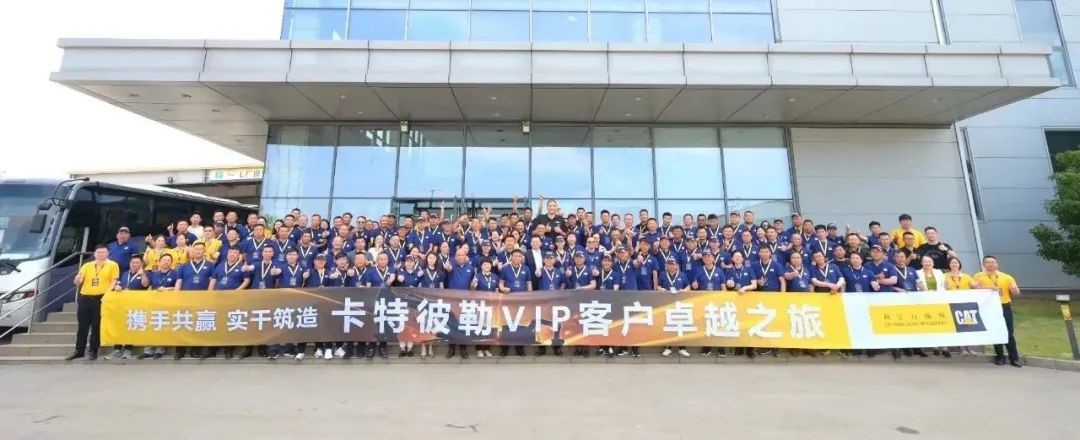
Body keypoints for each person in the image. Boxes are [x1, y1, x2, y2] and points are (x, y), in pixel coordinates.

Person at [66, 245, 121, 361]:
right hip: (85, 298)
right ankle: (79, 350)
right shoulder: (87, 265)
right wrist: (77, 280)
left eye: (103, 252)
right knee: (82, 326)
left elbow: (113, 281)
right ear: (94, 254)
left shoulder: (112, 265)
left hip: (100, 298)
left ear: (107, 253)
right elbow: (79, 279)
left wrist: (107, 295)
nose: (101, 254)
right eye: (98, 252)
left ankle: (93, 350)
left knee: (96, 326)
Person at [972, 256, 1022, 367]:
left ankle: (1014, 358)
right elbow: (973, 290)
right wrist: (987, 287)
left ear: (997, 264)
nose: (990, 264)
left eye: (993, 262)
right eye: (987, 262)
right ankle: (1000, 356)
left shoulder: (1006, 277)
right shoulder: (978, 277)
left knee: (1009, 332)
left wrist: (1015, 290)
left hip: (1004, 306)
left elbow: (1016, 292)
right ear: (983, 264)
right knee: (995, 331)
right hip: (989, 307)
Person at [174, 242, 213, 360]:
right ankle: (179, 350)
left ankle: (195, 350)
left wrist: (209, 296)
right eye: (196, 249)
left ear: (204, 251)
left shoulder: (210, 265)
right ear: (192, 251)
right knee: (183, 324)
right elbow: (179, 282)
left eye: (201, 249)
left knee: (198, 324)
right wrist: (175, 296)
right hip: (185, 299)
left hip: (202, 299)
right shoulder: (184, 266)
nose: (198, 251)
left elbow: (212, 281)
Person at [106, 255, 148, 360]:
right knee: (119, 327)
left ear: (141, 264)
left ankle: (127, 350)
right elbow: (118, 284)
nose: (135, 264)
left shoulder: (145, 274)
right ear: (130, 264)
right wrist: (117, 286)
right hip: (122, 304)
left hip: (135, 304)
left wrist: (143, 275)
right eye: (133, 263)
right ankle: (116, 349)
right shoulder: (125, 274)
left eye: (137, 263)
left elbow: (145, 284)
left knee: (130, 327)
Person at [692, 251, 726, 357]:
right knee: (705, 324)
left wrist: (724, 299)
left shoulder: (719, 271)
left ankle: (721, 349)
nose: (707, 258)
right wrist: (694, 285)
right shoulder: (698, 270)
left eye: (709, 256)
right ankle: (706, 348)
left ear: (713, 258)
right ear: (702, 259)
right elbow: (694, 285)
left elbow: (723, 286)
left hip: (716, 301)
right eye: (705, 257)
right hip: (704, 301)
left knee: (718, 324)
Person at [499, 250, 531, 357]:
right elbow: (501, 284)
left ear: (522, 258)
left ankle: (520, 348)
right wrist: (503, 289)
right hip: (508, 300)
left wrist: (530, 296)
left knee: (521, 324)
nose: (517, 258)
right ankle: (504, 348)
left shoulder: (526, 269)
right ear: (511, 257)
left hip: (522, 301)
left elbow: (529, 284)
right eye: (515, 256)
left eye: (519, 256)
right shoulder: (505, 268)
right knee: (506, 324)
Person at [943, 256, 978, 355]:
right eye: (952, 263)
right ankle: (961, 348)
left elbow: (975, 286)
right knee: (957, 326)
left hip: (965, 305)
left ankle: (969, 348)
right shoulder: (944, 276)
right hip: (951, 304)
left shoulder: (966, 276)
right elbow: (942, 289)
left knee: (967, 326)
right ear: (949, 265)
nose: (954, 265)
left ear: (959, 264)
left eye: (956, 263)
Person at [657, 258, 691, 357]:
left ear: (676, 265)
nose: (671, 266)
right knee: (669, 325)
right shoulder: (663, 274)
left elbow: (688, 287)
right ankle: (668, 347)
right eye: (669, 264)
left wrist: (683, 291)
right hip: (667, 303)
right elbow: (658, 286)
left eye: (673, 264)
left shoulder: (682, 275)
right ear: (666, 266)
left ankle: (682, 348)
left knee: (681, 326)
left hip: (680, 304)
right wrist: (661, 289)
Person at [444, 249, 474, 359]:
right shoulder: (451, 267)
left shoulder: (470, 268)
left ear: (466, 257)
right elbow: (447, 273)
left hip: (465, 301)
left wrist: (473, 286)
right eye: (458, 255)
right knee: (452, 325)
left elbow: (472, 284)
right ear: (455, 257)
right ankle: (451, 348)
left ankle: (463, 348)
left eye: (462, 255)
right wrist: (447, 268)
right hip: (452, 300)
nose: (460, 257)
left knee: (463, 325)